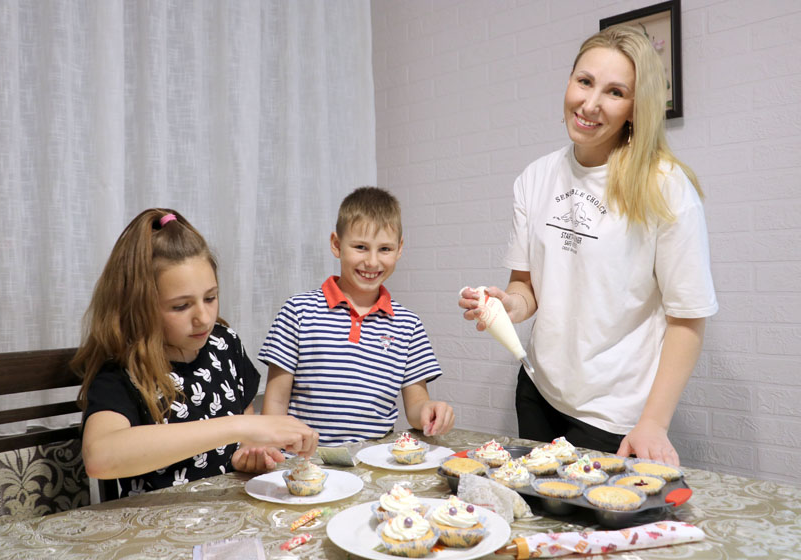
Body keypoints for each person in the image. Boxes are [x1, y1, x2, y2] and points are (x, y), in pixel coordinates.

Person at [459, 26, 717, 466]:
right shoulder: (534, 178)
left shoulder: (665, 187)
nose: (590, 103)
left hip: (614, 415)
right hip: (538, 392)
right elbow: (527, 286)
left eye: (615, 92)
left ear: (636, 108)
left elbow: (687, 318)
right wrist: (508, 305)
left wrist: (653, 422)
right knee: (541, 528)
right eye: (584, 81)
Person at [74, 208, 318, 497]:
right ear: (139, 306)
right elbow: (100, 457)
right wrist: (239, 426)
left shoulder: (225, 344)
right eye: (181, 306)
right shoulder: (124, 367)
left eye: (210, 298)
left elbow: (244, 433)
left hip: (227, 514)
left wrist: (249, 454)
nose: (203, 317)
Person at [259, 187, 455, 445]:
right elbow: (275, 402)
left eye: (384, 249)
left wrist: (431, 411)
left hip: (374, 464)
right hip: (304, 464)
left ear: (399, 249)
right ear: (336, 245)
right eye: (361, 247)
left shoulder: (409, 325)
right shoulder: (297, 312)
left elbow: (416, 406)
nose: (372, 262)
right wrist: (267, 450)